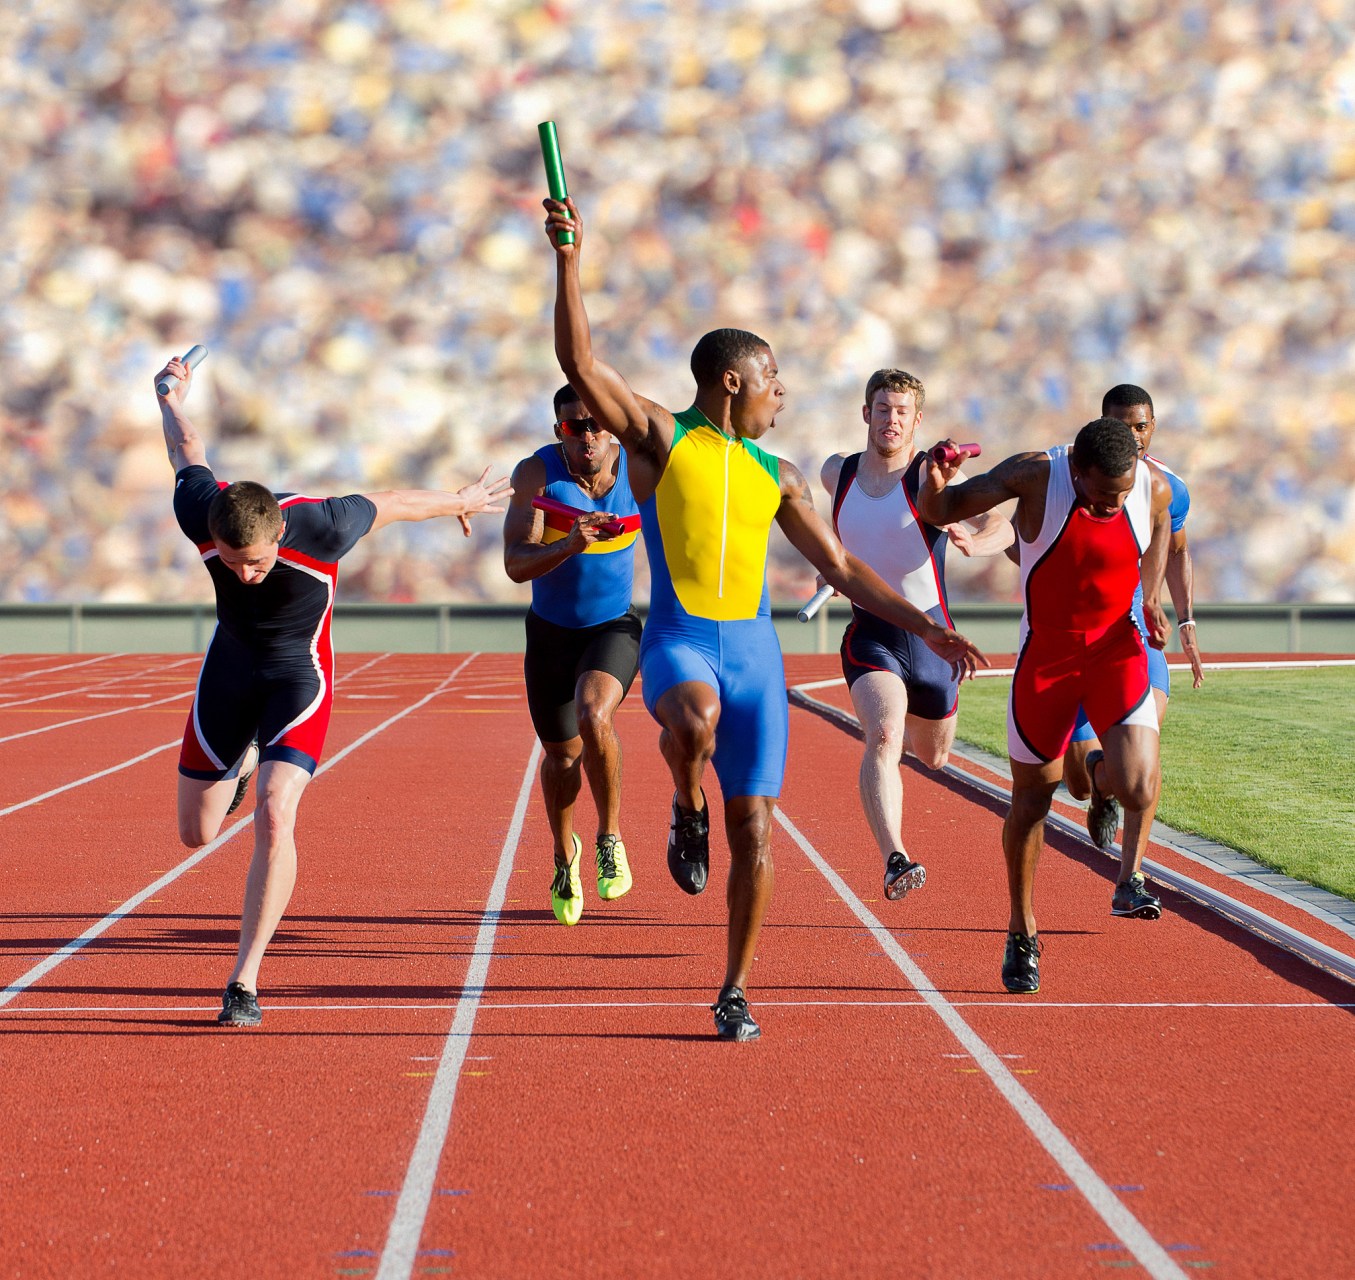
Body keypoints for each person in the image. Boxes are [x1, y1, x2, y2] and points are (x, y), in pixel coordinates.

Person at [544, 194, 987, 1040]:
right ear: (732, 380)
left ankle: (734, 988)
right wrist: (568, 256)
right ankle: (683, 804)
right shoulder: (659, 437)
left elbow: (843, 567)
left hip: (755, 656)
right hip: (682, 642)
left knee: (755, 835)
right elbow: (579, 359)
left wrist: (925, 625)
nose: (783, 392)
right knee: (692, 721)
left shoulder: (778, 473)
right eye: (773, 378)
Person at [154, 353, 512, 1027]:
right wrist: (169, 395)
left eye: (255, 562)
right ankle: (246, 759)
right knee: (194, 834)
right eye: (230, 564)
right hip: (229, 669)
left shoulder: (321, 523)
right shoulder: (200, 511)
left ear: (278, 536)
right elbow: (186, 451)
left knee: (275, 811)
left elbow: (394, 503)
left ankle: (244, 983)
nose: (246, 575)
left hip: (298, 675)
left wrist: (461, 501)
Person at [917, 417, 1172, 994]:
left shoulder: (1150, 487)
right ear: (1077, 472)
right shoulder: (1036, 475)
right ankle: (1022, 929)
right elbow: (943, 508)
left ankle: (1123, 858)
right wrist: (937, 478)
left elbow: (1160, 529)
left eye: (1121, 495)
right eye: (1103, 495)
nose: (1113, 505)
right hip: (1048, 659)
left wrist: (1151, 596)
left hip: (1117, 649)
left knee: (1136, 786)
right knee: (1034, 799)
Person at [819, 369, 1014, 901]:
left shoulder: (932, 479)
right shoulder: (836, 473)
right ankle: (895, 857)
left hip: (933, 642)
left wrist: (977, 543)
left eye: (902, 412)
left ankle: (920, 730)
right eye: (883, 409)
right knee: (883, 735)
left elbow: (1003, 525)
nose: (892, 420)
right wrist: (830, 568)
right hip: (872, 634)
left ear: (917, 420)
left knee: (934, 758)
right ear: (866, 414)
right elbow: (835, 540)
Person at [1061, 385, 1204, 919]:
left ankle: (1131, 878)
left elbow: (1178, 551)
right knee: (1077, 780)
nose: (1133, 436)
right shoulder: (1070, 481)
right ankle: (1102, 783)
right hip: (1074, 645)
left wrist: (1184, 616)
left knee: (1146, 755)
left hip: (1139, 641)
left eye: (1141, 426)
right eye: (1122, 425)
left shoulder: (1171, 490)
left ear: (1153, 427)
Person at [503, 383, 643, 926]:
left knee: (594, 713)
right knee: (561, 757)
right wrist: (568, 543)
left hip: (613, 626)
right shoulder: (538, 475)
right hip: (551, 634)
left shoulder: (639, 468)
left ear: (612, 426)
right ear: (557, 431)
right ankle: (566, 856)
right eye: (572, 427)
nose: (586, 435)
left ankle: (609, 836)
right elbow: (515, 563)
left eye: (595, 424)